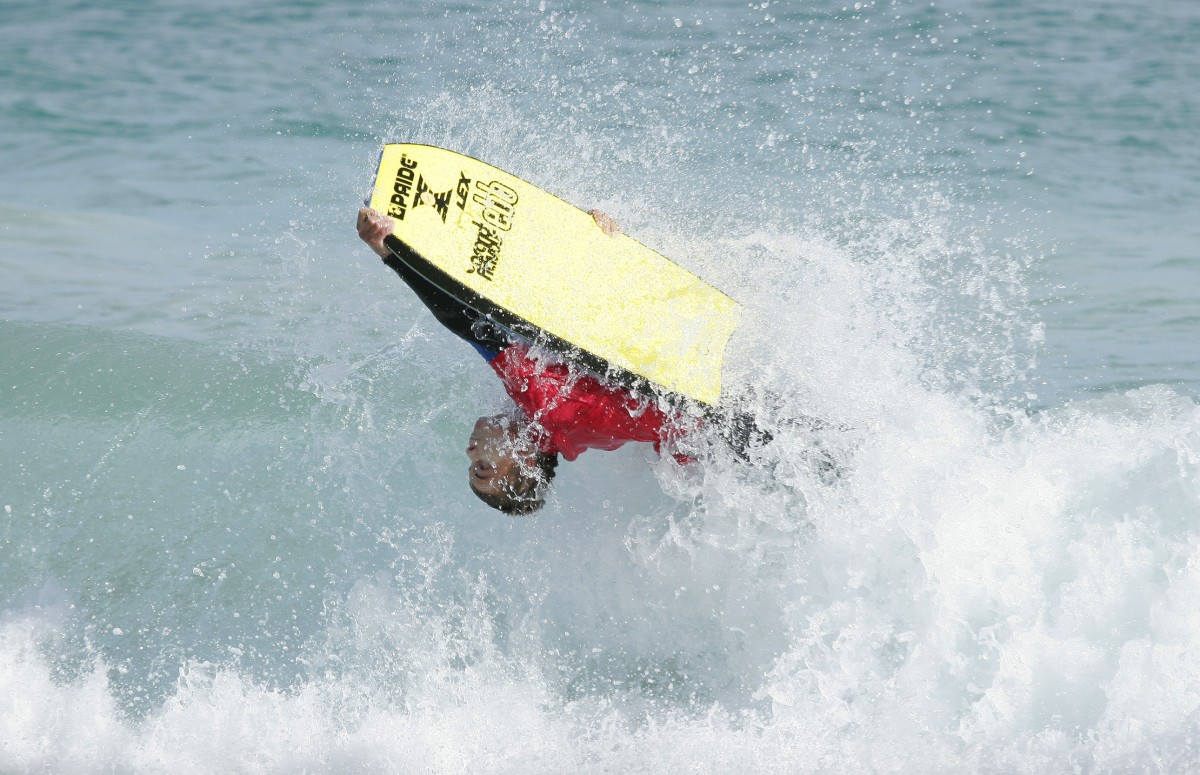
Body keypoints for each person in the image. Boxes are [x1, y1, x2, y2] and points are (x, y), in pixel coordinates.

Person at [356, 207, 766, 514]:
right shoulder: (545, 404)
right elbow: (468, 323)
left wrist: (596, 245)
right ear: (528, 464)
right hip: (728, 417)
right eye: (482, 468)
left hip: (715, 416)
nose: (469, 452)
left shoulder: (569, 435)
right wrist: (391, 252)